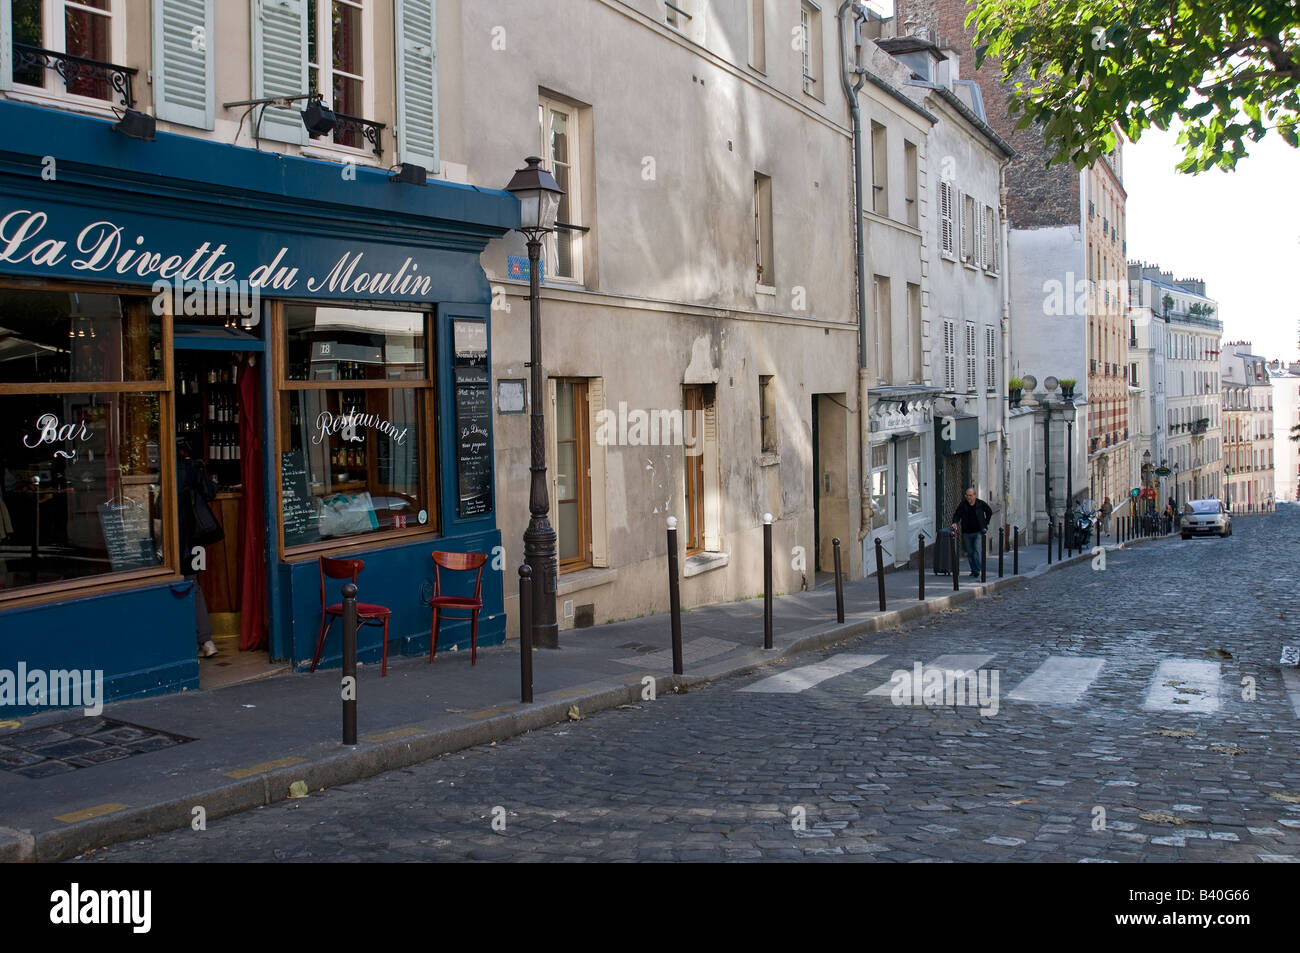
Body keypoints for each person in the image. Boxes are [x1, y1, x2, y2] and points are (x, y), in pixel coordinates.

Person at [178, 441, 219, 659]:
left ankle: (192, 639)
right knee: (192, 583)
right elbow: (210, 492)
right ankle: (205, 639)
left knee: (178, 583)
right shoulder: (194, 467)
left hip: (173, 536)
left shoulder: (167, 469)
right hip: (193, 536)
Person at [951, 487, 993, 578]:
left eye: (970, 495)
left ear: (974, 495)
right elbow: (957, 514)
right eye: (967, 495)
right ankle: (973, 570)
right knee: (970, 552)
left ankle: (977, 569)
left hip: (978, 531)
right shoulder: (963, 504)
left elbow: (989, 511)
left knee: (977, 551)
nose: (968, 497)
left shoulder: (980, 504)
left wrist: (985, 523)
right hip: (966, 532)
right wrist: (955, 522)